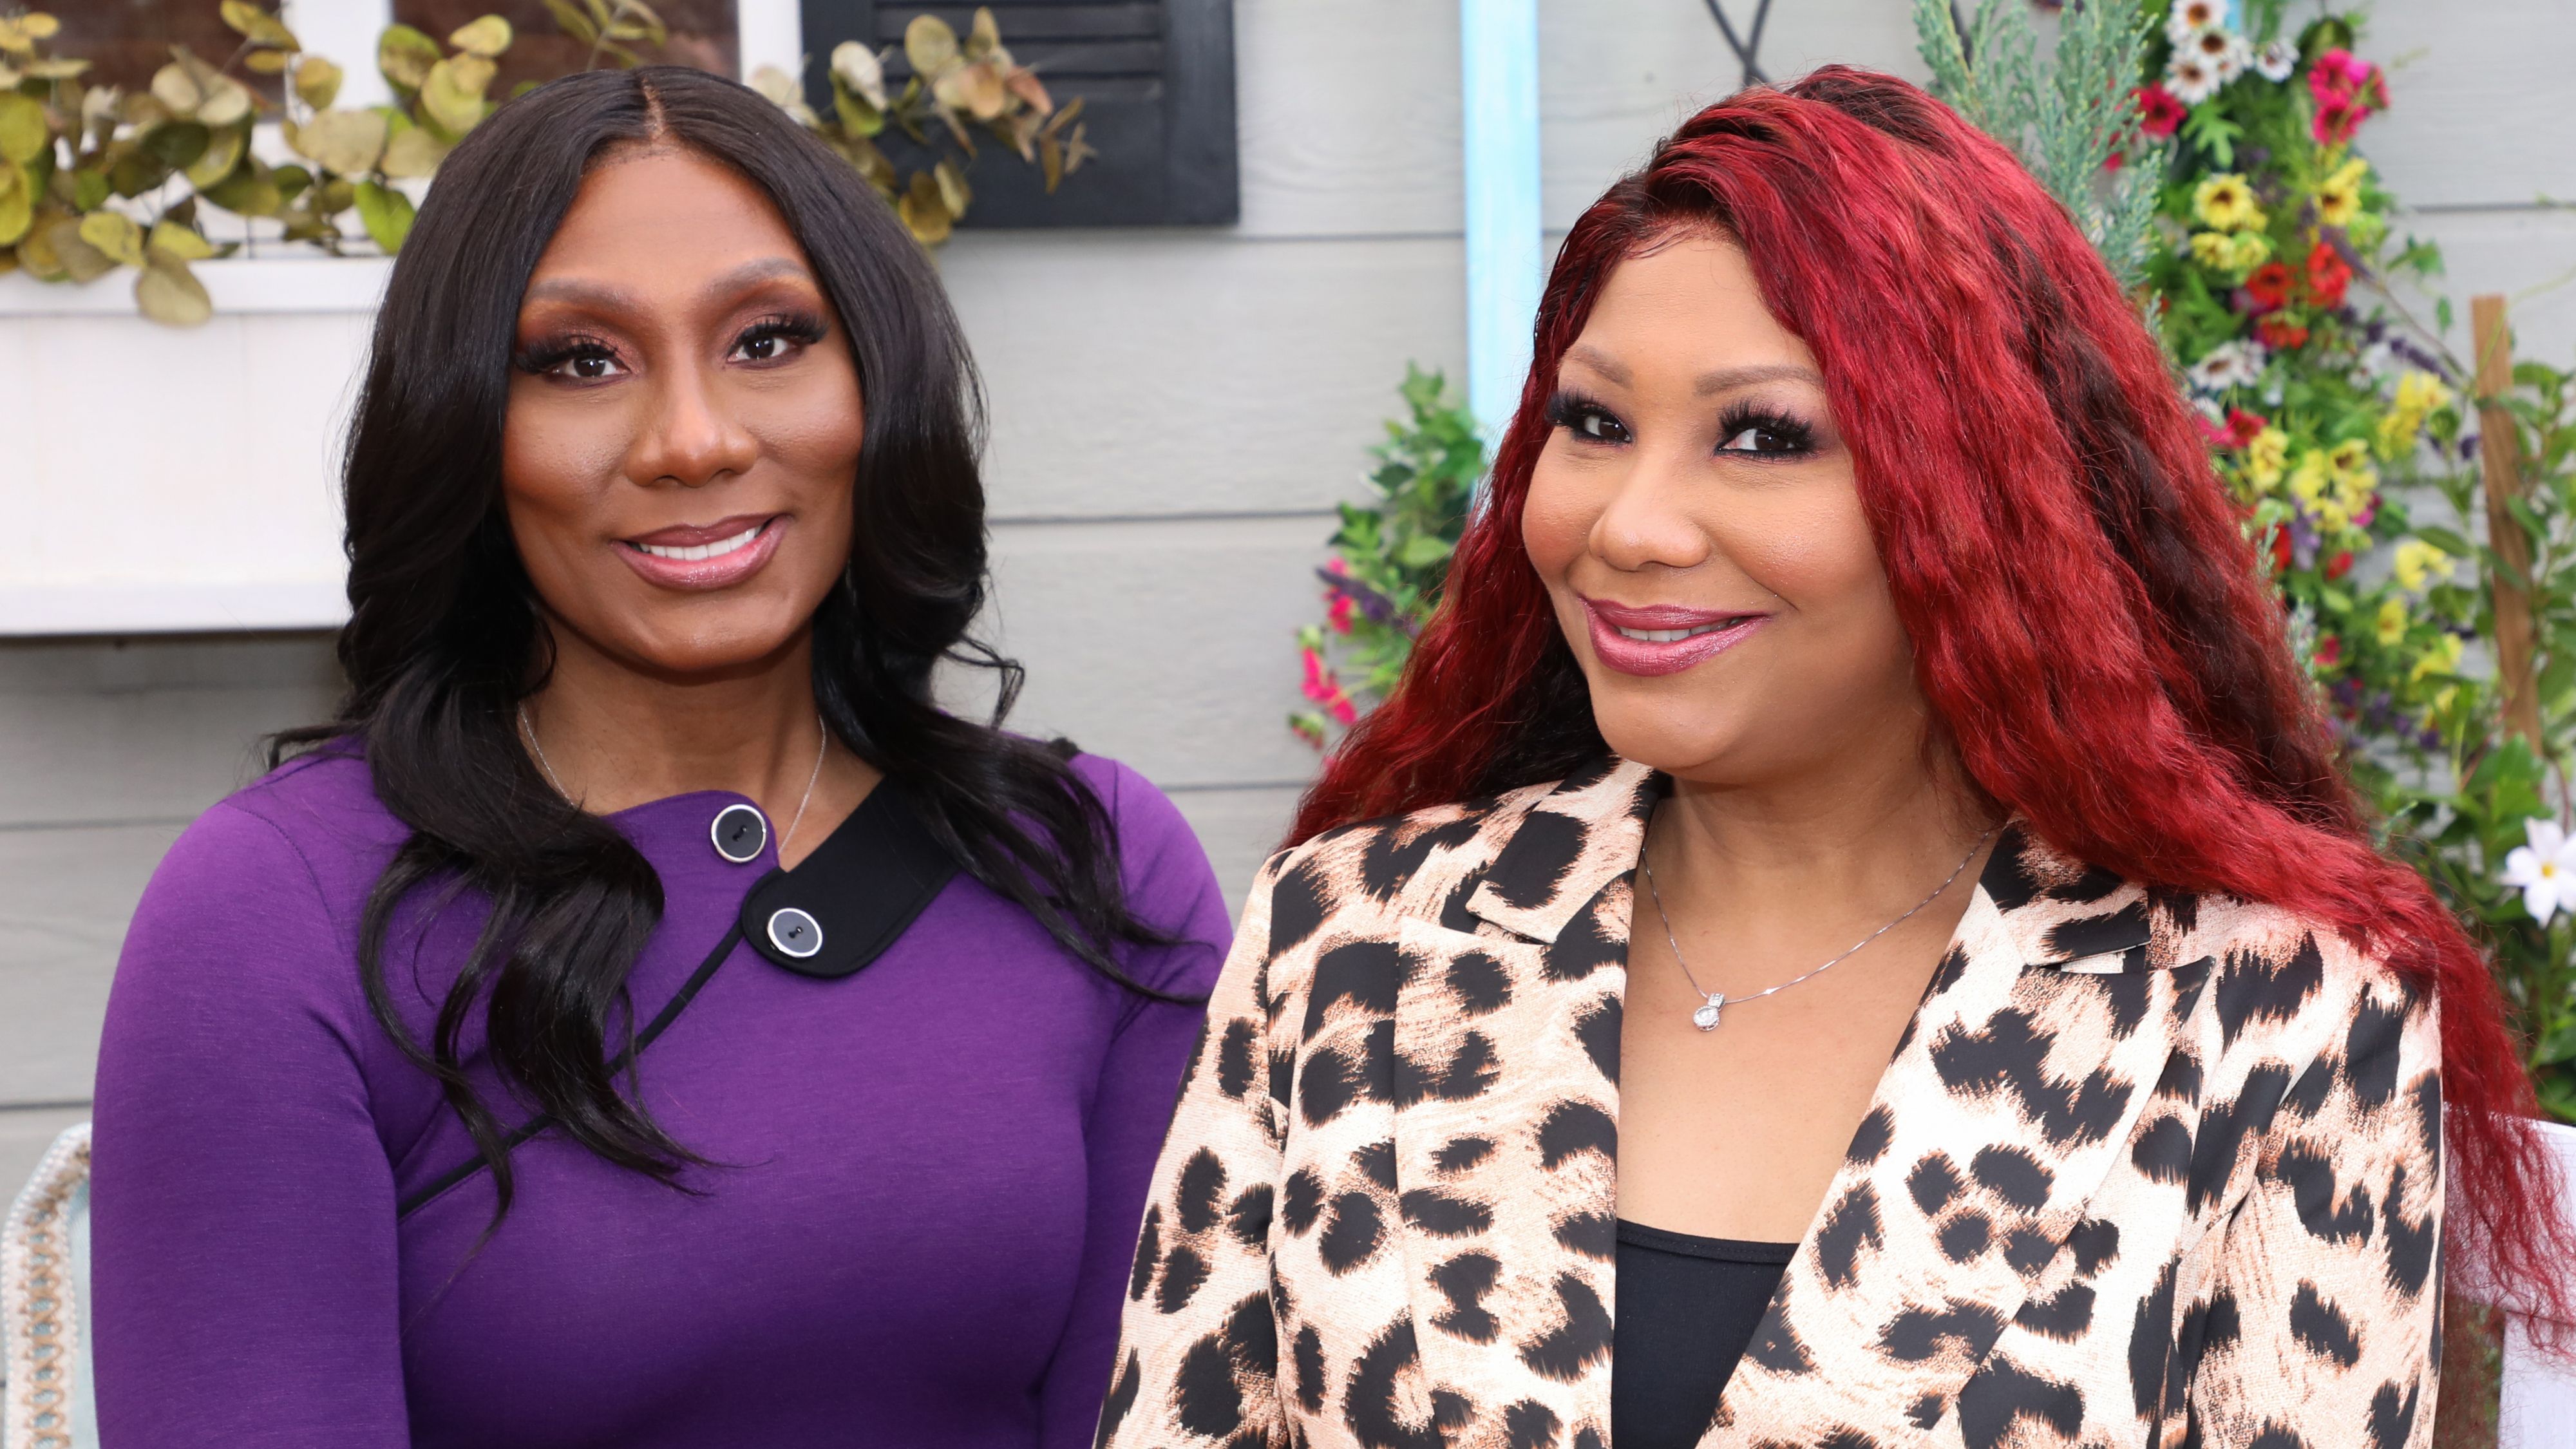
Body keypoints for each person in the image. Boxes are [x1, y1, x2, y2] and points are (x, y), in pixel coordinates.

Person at [1097, 68, 2570, 1448]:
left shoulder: (2272, 1020)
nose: (1628, 525)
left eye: (1759, 437)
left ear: (1977, 499)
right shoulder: (1352, 943)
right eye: (1591, 423)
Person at [90, 66, 1228, 1448]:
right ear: (466, 429)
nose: (694, 440)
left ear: (878, 385)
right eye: (581, 360)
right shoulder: (278, 912)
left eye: (769, 339)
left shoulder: (1092, 866)